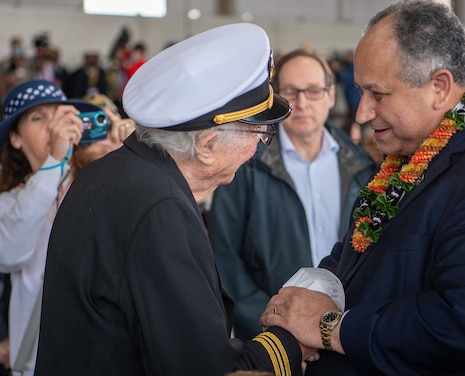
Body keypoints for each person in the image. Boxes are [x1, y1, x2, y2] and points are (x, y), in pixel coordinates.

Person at [261, 0, 465, 375]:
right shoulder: (411, 147)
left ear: (439, 87)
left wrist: (329, 328)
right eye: (360, 91)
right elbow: (357, 250)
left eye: (378, 94)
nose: (362, 113)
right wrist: (306, 297)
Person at [34, 23, 311, 376]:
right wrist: (290, 340)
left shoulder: (113, 173)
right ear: (208, 145)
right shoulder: (158, 210)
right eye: (259, 131)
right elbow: (206, 367)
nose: (259, 146)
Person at [207, 49, 375, 340]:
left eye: (313, 91)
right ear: (276, 99)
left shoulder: (362, 166)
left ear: (331, 96)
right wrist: (278, 327)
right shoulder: (245, 166)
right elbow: (225, 260)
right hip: (272, 338)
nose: (302, 103)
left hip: (342, 333)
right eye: (291, 92)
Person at [0, 79, 134, 376]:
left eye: (60, 115)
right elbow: (9, 253)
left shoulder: (98, 181)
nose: (53, 127)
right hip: (36, 365)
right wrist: (55, 161)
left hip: (102, 360)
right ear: (15, 139)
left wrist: (136, 148)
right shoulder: (9, 203)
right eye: (38, 118)